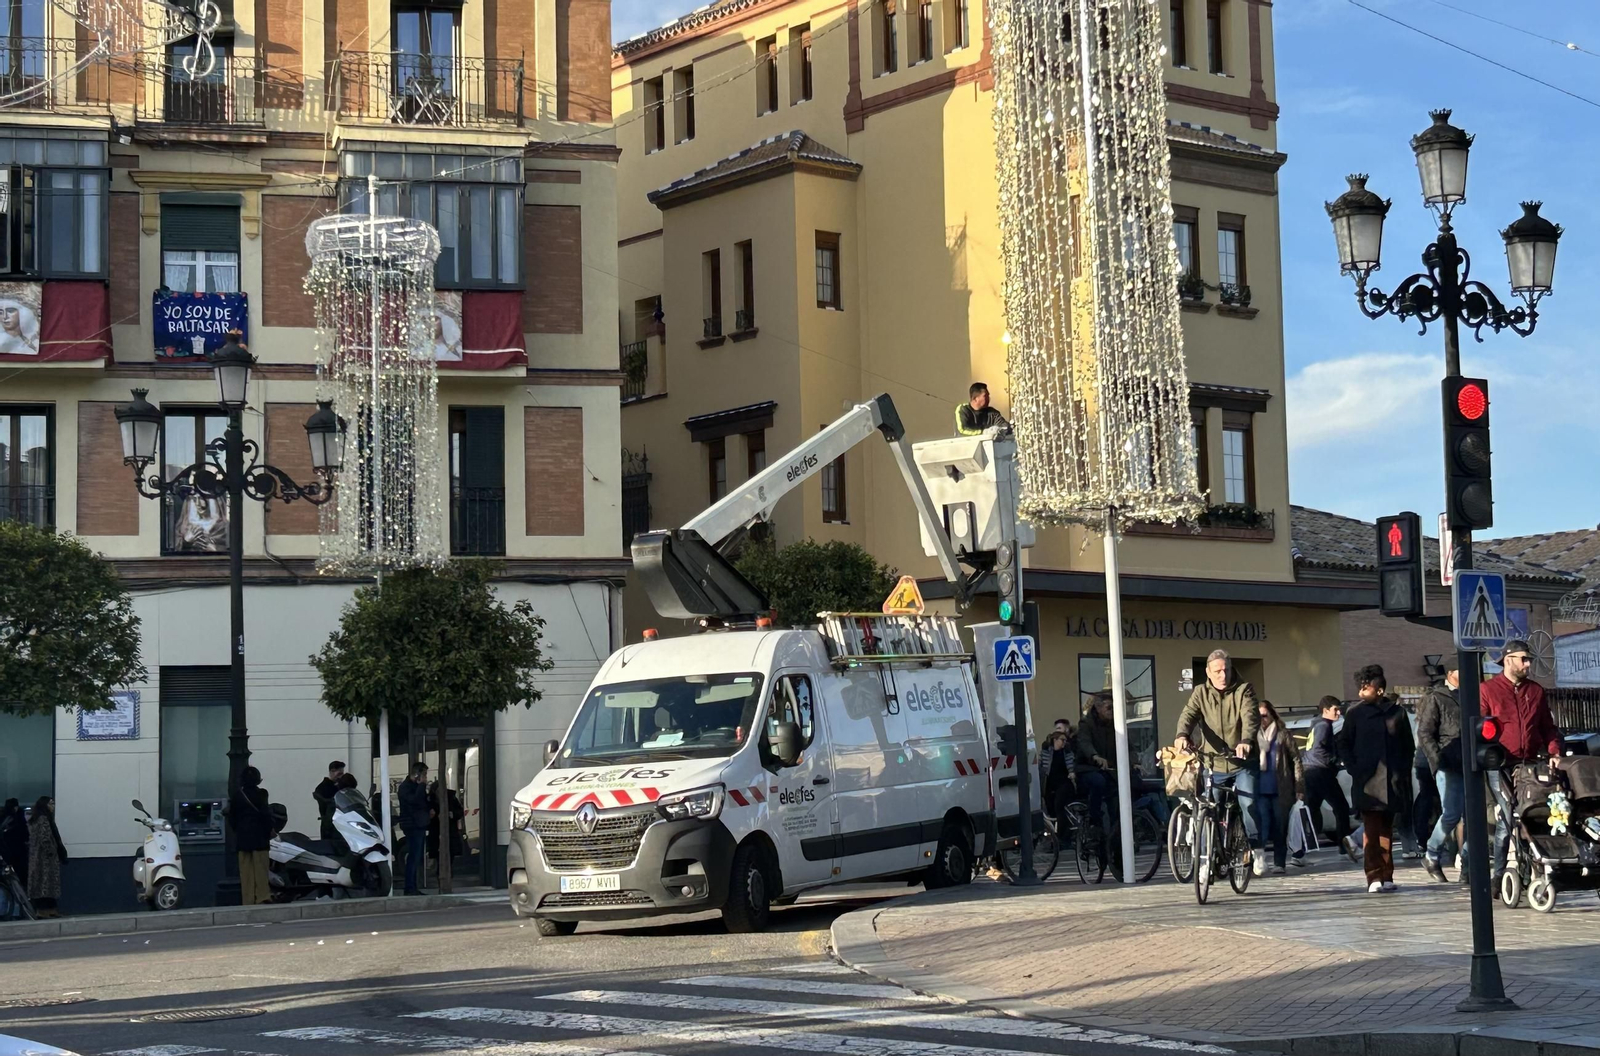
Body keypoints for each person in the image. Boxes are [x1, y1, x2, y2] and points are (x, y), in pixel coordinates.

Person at [1480, 639, 1563, 885]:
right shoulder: (1488, 689)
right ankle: (1498, 875)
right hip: (1501, 763)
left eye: (1529, 659)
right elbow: (1481, 727)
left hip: (1529, 764)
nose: (1528, 664)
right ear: (1508, 660)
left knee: (1531, 814)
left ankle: (1532, 868)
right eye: (1523, 659)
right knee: (1507, 817)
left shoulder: (1535, 691)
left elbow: (1548, 728)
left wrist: (1554, 752)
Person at [1336, 665, 1415, 893]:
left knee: (1387, 831)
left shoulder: (1396, 713)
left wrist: (1402, 772)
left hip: (1392, 780)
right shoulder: (1355, 712)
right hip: (1367, 781)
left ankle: (1387, 874)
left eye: (1366, 687)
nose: (1361, 692)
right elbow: (1343, 743)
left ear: (1379, 690)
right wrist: (1353, 768)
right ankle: (1373, 876)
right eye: (1360, 687)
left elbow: (1407, 746)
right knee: (1371, 829)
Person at [1418, 665, 1465, 883]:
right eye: (1460, 671)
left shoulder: (1474, 694)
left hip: (1473, 763)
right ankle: (1432, 853)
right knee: (1451, 813)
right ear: (1450, 675)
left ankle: (1467, 863)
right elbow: (1425, 733)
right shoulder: (1437, 697)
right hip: (1449, 764)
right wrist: (1437, 761)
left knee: (1475, 816)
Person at [1251, 700, 1305, 875]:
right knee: (1261, 826)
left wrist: (1299, 786)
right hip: (1259, 790)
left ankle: (1279, 863)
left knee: (1280, 827)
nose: (1262, 720)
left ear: (1272, 715)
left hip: (1280, 788)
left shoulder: (1283, 734)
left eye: (1265, 716)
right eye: (1258, 717)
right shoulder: (1252, 736)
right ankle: (1258, 861)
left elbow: (1296, 759)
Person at [1302, 696, 1352, 849]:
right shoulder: (1324, 725)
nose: (1339, 713)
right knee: (1341, 807)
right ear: (1325, 710)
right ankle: (1344, 845)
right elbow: (1318, 748)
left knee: (1313, 808)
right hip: (1321, 771)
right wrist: (1334, 760)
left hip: (1309, 771)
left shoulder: (1315, 723)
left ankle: (1306, 845)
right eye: (1335, 709)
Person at [1075, 693, 1118, 835]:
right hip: (1087, 768)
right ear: (1098, 708)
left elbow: (1127, 745)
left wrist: (1134, 762)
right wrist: (1094, 756)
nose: (1112, 711)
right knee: (1098, 782)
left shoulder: (1115, 724)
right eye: (1109, 707)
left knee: (1118, 790)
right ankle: (1095, 821)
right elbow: (1084, 742)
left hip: (1108, 769)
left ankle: (1117, 830)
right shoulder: (1086, 723)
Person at [230, 767, 274, 906]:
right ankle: (262, 896)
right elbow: (266, 815)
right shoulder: (262, 794)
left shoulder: (237, 795)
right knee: (261, 870)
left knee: (246, 872)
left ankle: (247, 899)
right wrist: (269, 831)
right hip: (259, 837)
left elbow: (232, 818)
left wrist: (238, 830)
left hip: (243, 838)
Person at [26, 797, 66, 917]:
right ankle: (46, 910)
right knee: (46, 886)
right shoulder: (44, 819)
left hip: (37, 858)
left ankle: (48, 910)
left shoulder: (35, 819)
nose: (53, 806)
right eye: (51, 804)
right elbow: (45, 838)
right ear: (45, 805)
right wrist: (51, 853)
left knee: (42, 886)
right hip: (45, 860)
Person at [399, 762, 431, 895]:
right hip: (412, 825)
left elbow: (422, 801)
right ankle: (409, 887)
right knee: (413, 856)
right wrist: (422, 785)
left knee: (417, 856)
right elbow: (415, 801)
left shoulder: (415, 787)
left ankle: (413, 885)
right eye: (424, 774)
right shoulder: (406, 787)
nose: (425, 777)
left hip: (419, 824)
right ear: (417, 774)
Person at [1039, 729, 1075, 821]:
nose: (1064, 742)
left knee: (1059, 804)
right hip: (1049, 783)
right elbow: (1041, 765)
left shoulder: (1067, 752)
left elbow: (1071, 764)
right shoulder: (1046, 752)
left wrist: (1072, 772)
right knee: (1049, 806)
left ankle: (1062, 830)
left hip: (1064, 782)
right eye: (1062, 740)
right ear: (1055, 740)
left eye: (1065, 741)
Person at [313, 760, 348, 844]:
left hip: (341, 822)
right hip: (329, 824)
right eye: (339, 774)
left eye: (342, 774)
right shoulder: (322, 788)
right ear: (332, 771)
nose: (341, 777)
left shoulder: (341, 786)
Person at [0, 799, 27, 889]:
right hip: (19, 853)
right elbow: (25, 835)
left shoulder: (3, 818)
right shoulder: (19, 819)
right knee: (21, 878)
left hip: (5, 854)